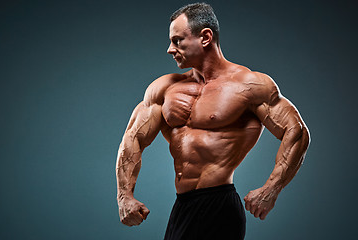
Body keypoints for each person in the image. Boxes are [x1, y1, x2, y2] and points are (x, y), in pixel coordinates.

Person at [116, 3, 310, 240]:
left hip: (220, 205)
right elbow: (133, 137)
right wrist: (124, 196)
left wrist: (271, 189)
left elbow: (296, 131)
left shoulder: (248, 85)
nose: (170, 49)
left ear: (206, 37)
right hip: (182, 207)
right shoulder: (165, 88)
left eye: (177, 40)